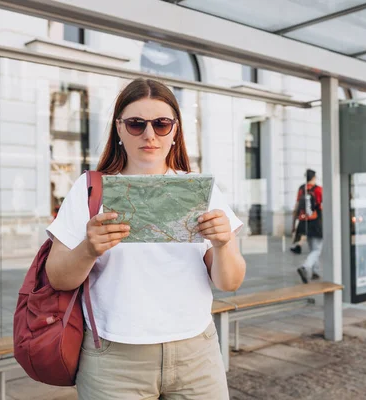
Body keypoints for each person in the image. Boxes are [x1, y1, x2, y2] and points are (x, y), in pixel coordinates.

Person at [45, 78, 246, 399]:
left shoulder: (200, 191)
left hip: (197, 351)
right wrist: (88, 249)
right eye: (136, 124)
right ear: (119, 129)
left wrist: (223, 245)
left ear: (175, 130)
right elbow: (58, 277)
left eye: (162, 124)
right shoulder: (90, 189)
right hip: (114, 359)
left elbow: (229, 281)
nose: (150, 134)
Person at [293, 169, 323, 284]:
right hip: (316, 222)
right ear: (314, 178)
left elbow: (296, 207)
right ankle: (305, 267)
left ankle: (315, 272)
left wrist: (294, 223)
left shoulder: (301, 189)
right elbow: (323, 206)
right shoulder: (319, 189)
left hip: (303, 222)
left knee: (313, 248)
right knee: (317, 249)